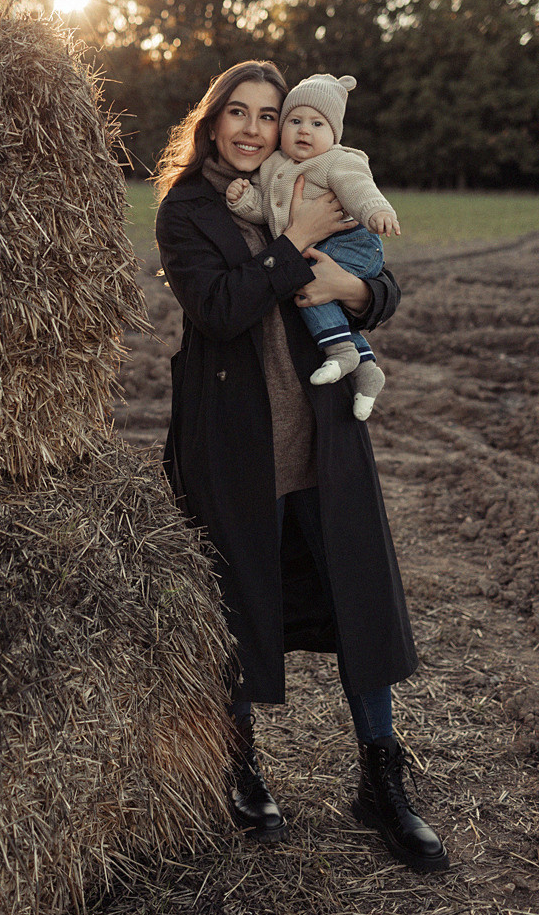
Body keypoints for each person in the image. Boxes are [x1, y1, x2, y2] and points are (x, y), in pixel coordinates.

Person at [154, 60, 448, 873]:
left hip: (324, 432)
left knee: (358, 593)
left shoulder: (309, 177)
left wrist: (356, 293)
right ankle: (240, 765)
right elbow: (217, 308)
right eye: (237, 114)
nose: (253, 128)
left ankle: (380, 776)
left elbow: (378, 286)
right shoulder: (186, 211)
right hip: (234, 441)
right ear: (212, 123)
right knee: (237, 601)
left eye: (269, 114)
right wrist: (295, 242)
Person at [225, 73, 399, 421]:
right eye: (295, 121)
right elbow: (268, 210)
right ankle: (366, 367)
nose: (304, 130)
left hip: (354, 242)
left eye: (317, 123)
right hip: (318, 245)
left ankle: (339, 349)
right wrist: (244, 201)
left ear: (334, 134)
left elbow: (357, 188)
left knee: (302, 279)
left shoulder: (337, 160)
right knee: (305, 278)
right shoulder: (273, 165)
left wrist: (377, 210)